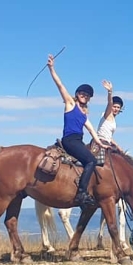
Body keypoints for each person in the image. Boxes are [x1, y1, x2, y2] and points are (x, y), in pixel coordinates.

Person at [47, 54, 109, 207]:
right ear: (77, 94)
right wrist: (52, 68)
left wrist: (101, 144)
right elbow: (60, 85)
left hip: (78, 141)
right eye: (82, 93)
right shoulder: (70, 104)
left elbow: (92, 131)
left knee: (92, 160)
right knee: (91, 161)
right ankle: (82, 193)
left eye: (87, 95)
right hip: (70, 140)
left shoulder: (84, 114)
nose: (85, 96)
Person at [96, 80, 123, 150]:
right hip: (100, 141)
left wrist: (118, 146)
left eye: (118, 107)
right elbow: (109, 103)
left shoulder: (114, 120)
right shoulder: (107, 114)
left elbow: (109, 137)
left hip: (107, 142)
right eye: (114, 107)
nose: (116, 109)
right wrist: (110, 92)